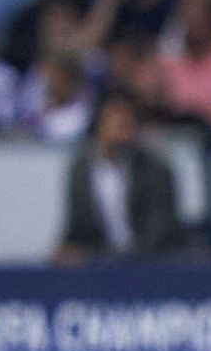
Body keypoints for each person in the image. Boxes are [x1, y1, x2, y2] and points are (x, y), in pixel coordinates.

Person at [53, 91, 182, 262]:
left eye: (129, 119)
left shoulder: (155, 169)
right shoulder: (81, 171)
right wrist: (66, 249)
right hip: (99, 269)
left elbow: (159, 230)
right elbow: (76, 228)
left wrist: (116, 258)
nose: (125, 126)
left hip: (148, 266)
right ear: (100, 121)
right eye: (117, 118)